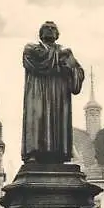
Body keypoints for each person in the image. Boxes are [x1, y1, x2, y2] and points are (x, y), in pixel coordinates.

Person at [21, 21, 85, 163]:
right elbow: (32, 62)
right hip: (38, 92)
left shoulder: (66, 52)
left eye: (53, 29)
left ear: (57, 34)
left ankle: (59, 154)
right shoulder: (31, 49)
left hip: (58, 94)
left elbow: (78, 72)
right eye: (46, 28)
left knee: (57, 119)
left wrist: (71, 69)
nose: (50, 30)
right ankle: (34, 153)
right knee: (37, 118)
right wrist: (60, 60)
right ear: (40, 33)